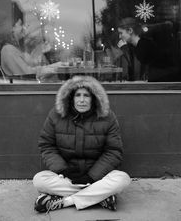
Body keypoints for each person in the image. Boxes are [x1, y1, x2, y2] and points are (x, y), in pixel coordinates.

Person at [33, 75, 131, 213]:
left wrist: (92, 176)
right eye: (78, 95)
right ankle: (100, 197)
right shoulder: (56, 115)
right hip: (67, 177)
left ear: (94, 98)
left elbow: (114, 151)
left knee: (122, 179)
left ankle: (65, 201)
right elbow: (46, 145)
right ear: (71, 98)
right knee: (39, 180)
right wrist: (63, 170)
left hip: (97, 177)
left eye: (86, 96)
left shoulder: (108, 117)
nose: (82, 100)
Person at [116, 17, 180, 82]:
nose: (120, 36)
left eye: (121, 33)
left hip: (164, 83)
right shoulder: (140, 45)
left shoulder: (144, 45)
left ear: (130, 31)